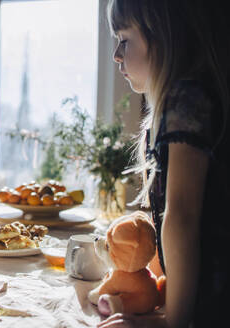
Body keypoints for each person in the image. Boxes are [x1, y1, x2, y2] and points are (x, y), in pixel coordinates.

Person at [98, 0, 230, 327]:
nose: (116, 54)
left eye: (124, 40)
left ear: (163, 37)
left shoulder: (188, 99)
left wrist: (171, 320)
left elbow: (182, 216)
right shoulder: (178, 103)